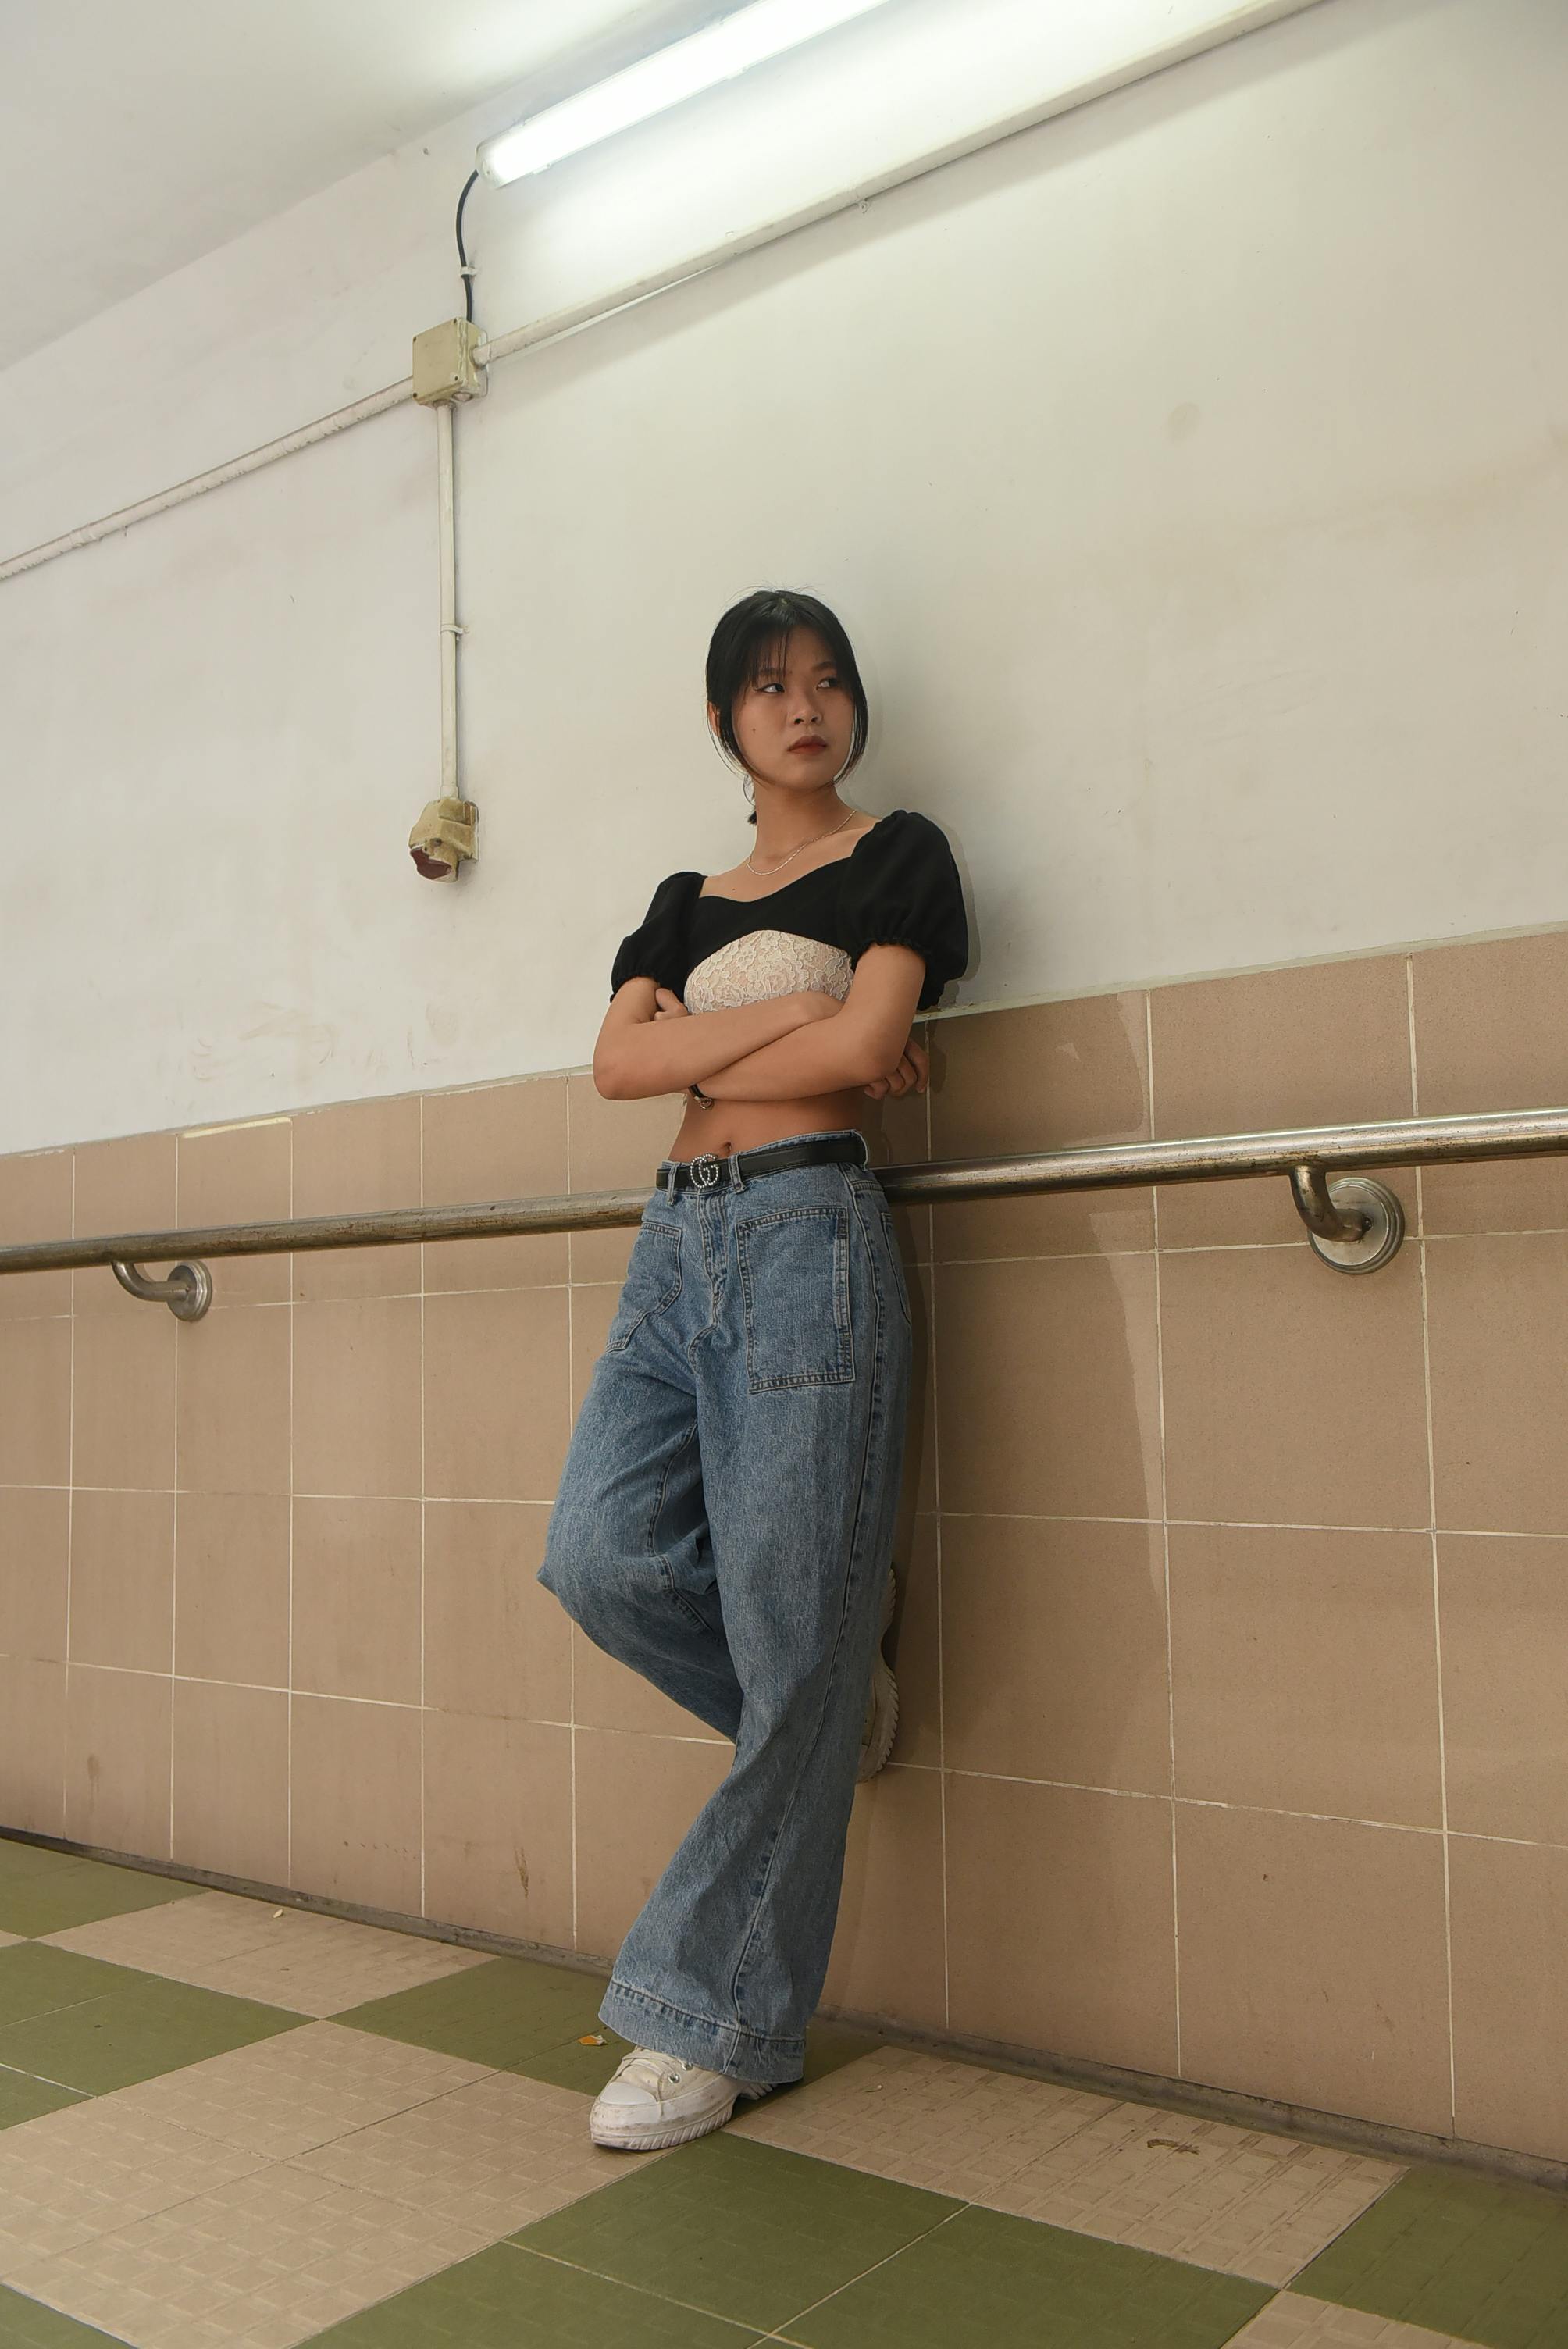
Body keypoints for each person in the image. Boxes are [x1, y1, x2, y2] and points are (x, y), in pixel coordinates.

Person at [536, 586, 968, 2153]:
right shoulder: (678, 897)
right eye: (771, 686)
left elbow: (867, 1059)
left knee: (788, 1645)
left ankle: (705, 2020)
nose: (806, 707)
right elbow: (612, 1068)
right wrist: (802, 1002)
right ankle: (824, 1698)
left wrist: (740, 1040)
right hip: (675, 1244)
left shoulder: (900, 853)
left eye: (830, 681)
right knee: (592, 1556)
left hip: (806, 1242)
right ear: (722, 716)